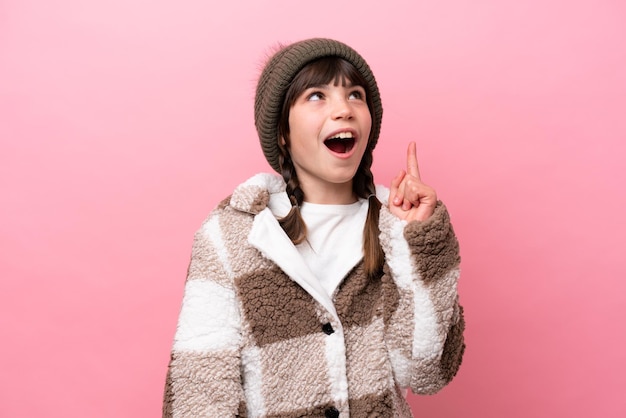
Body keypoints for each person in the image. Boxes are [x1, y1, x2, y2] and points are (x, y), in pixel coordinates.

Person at [162, 38, 465, 418]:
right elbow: (198, 391)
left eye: (355, 95)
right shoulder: (233, 234)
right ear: (283, 132)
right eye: (317, 96)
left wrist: (417, 241)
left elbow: (426, 373)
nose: (344, 109)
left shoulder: (396, 225)